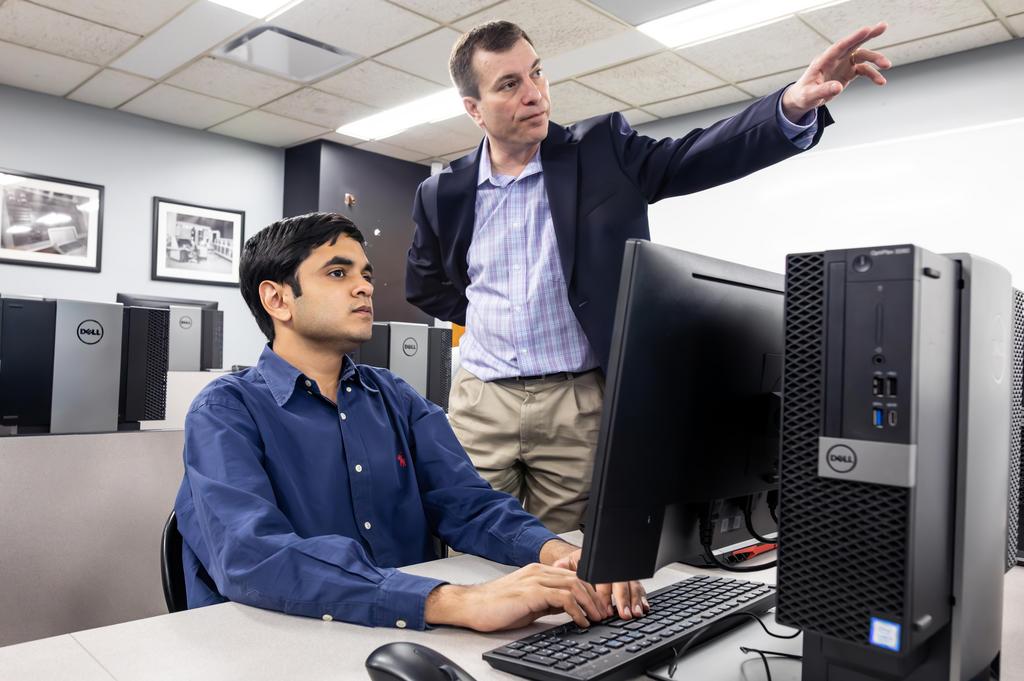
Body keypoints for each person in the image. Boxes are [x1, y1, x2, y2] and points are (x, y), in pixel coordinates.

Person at [406, 20, 891, 533]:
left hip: (578, 403)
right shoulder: (443, 192)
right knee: (469, 543)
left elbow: (696, 155)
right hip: (482, 400)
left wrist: (791, 105)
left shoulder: (601, 151)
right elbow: (425, 284)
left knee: (566, 561)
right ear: (474, 109)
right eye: (509, 84)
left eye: (537, 74)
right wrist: (492, 316)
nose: (535, 95)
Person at [173, 212, 649, 631]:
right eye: (338, 273)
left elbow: (468, 504)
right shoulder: (224, 412)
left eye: (365, 274)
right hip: (284, 639)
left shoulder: (394, 397)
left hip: (403, 630)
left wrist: (556, 553)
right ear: (277, 300)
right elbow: (255, 558)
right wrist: (456, 600)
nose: (364, 287)